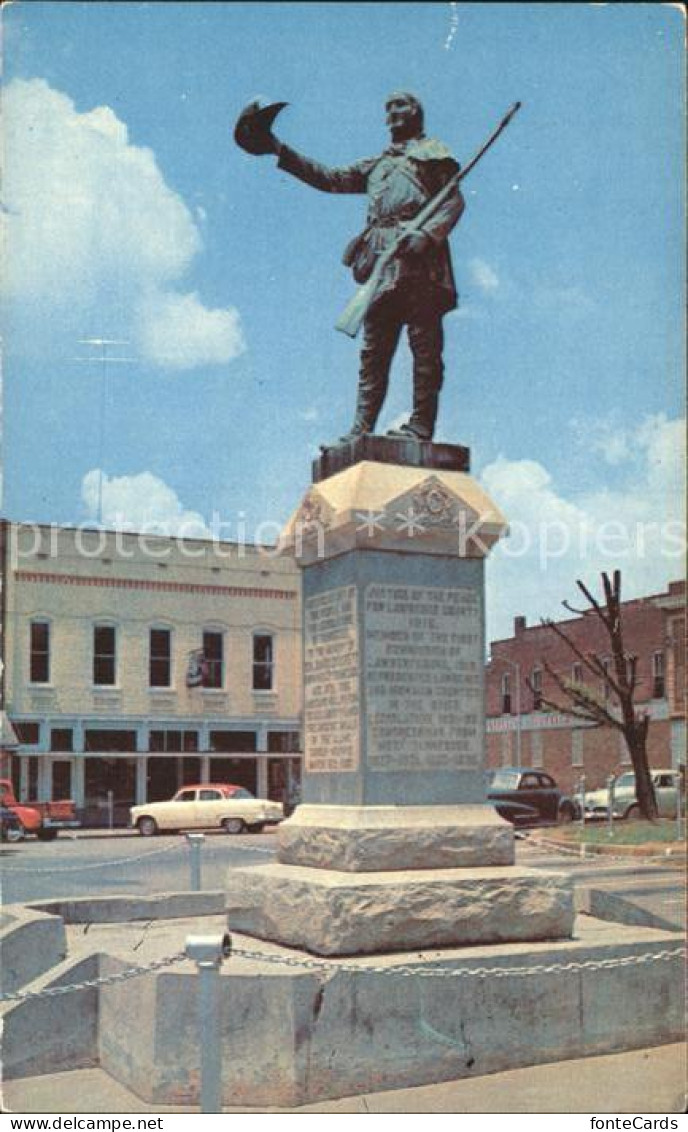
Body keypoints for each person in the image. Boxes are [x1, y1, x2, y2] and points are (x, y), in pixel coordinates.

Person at [238, 92, 465, 443]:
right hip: (382, 262)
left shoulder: (432, 153)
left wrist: (426, 234)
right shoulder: (377, 165)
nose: (393, 112)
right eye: (387, 107)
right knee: (374, 351)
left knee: (425, 349)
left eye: (401, 106)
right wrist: (278, 149)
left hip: (420, 262)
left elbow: (452, 199)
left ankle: (421, 427)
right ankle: (361, 429)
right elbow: (330, 178)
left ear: (417, 112)